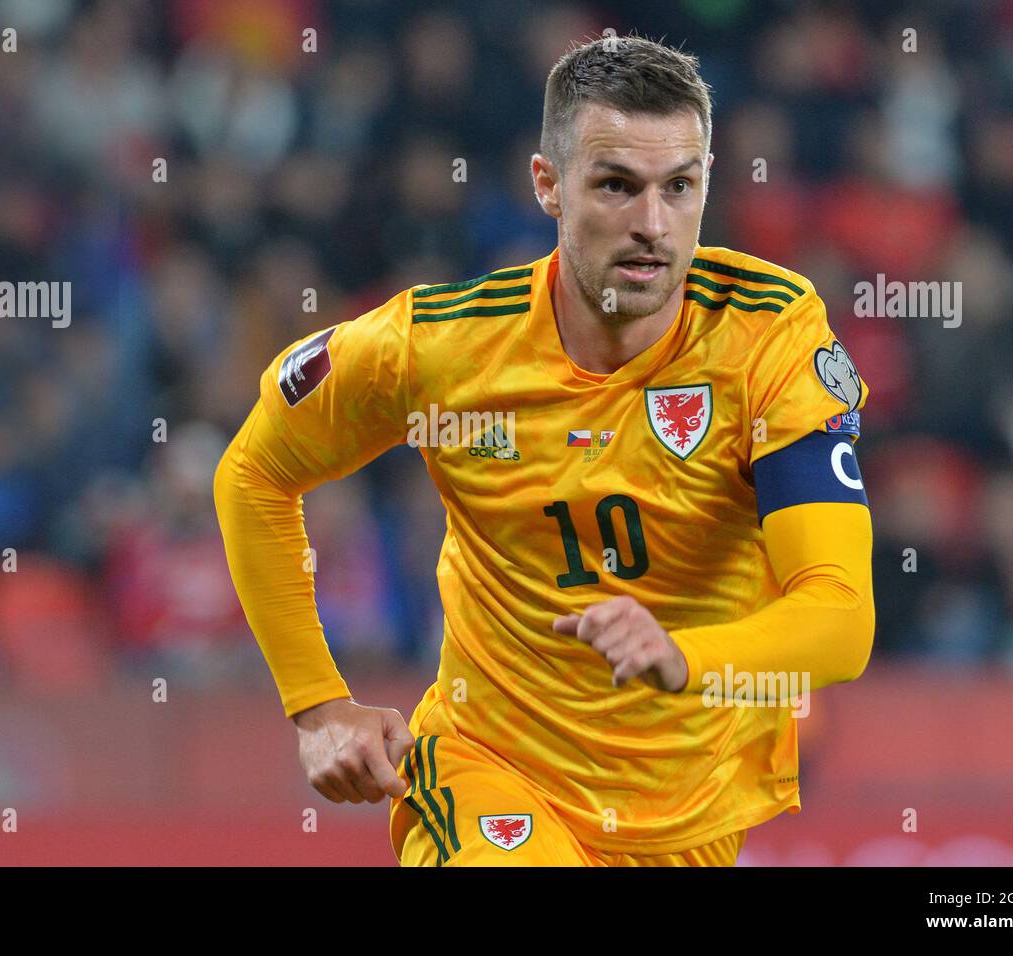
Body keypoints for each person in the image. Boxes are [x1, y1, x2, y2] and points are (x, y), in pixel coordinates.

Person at [214, 35, 874, 866]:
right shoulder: (441, 347)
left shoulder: (769, 339)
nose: (652, 226)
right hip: (490, 772)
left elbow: (841, 616)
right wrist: (317, 705)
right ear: (548, 185)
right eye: (616, 186)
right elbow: (256, 471)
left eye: (680, 187)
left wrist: (683, 654)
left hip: (687, 818)